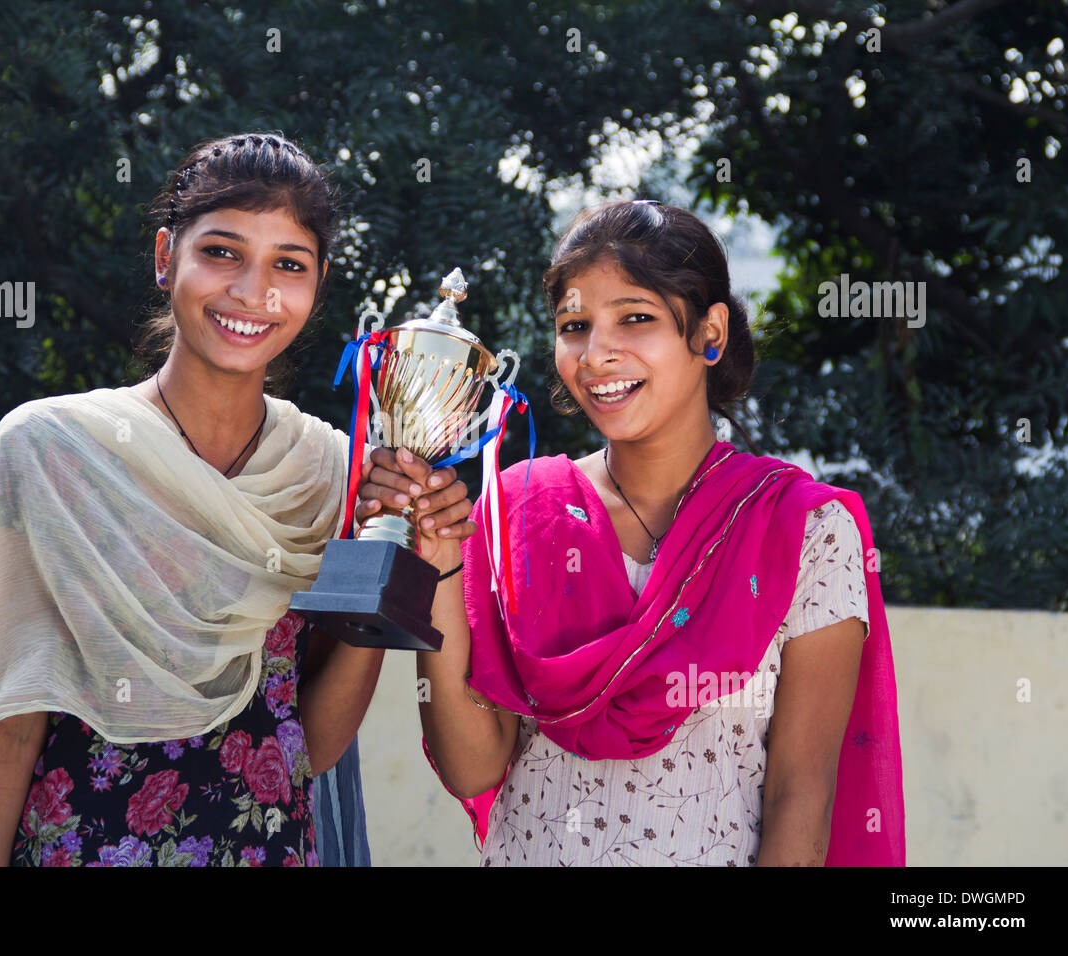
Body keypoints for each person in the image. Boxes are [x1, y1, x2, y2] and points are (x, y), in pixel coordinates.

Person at [0, 132, 472, 866]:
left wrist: (383, 547)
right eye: (222, 252)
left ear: (318, 283)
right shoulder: (52, 453)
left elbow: (313, 743)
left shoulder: (331, 473)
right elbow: (10, 727)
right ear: (167, 255)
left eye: (287, 265)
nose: (252, 291)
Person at [358, 199, 905, 866]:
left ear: (710, 334)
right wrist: (442, 563)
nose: (596, 354)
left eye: (636, 318)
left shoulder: (802, 528)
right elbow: (473, 769)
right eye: (575, 325)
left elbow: (803, 796)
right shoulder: (515, 511)